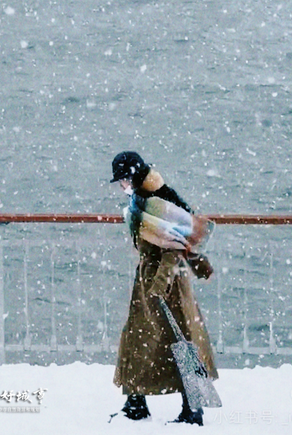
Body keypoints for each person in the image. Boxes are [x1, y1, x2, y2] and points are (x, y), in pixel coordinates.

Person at [110, 151, 218, 426]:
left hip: (165, 282)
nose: (121, 186)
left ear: (132, 177)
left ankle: (191, 409)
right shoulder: (144, 200)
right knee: (143, 339)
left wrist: (158, 286)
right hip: (152, 279)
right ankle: (136, 401)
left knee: (176, 340)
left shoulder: (155, 204)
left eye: (122, 180)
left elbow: (173, 248)